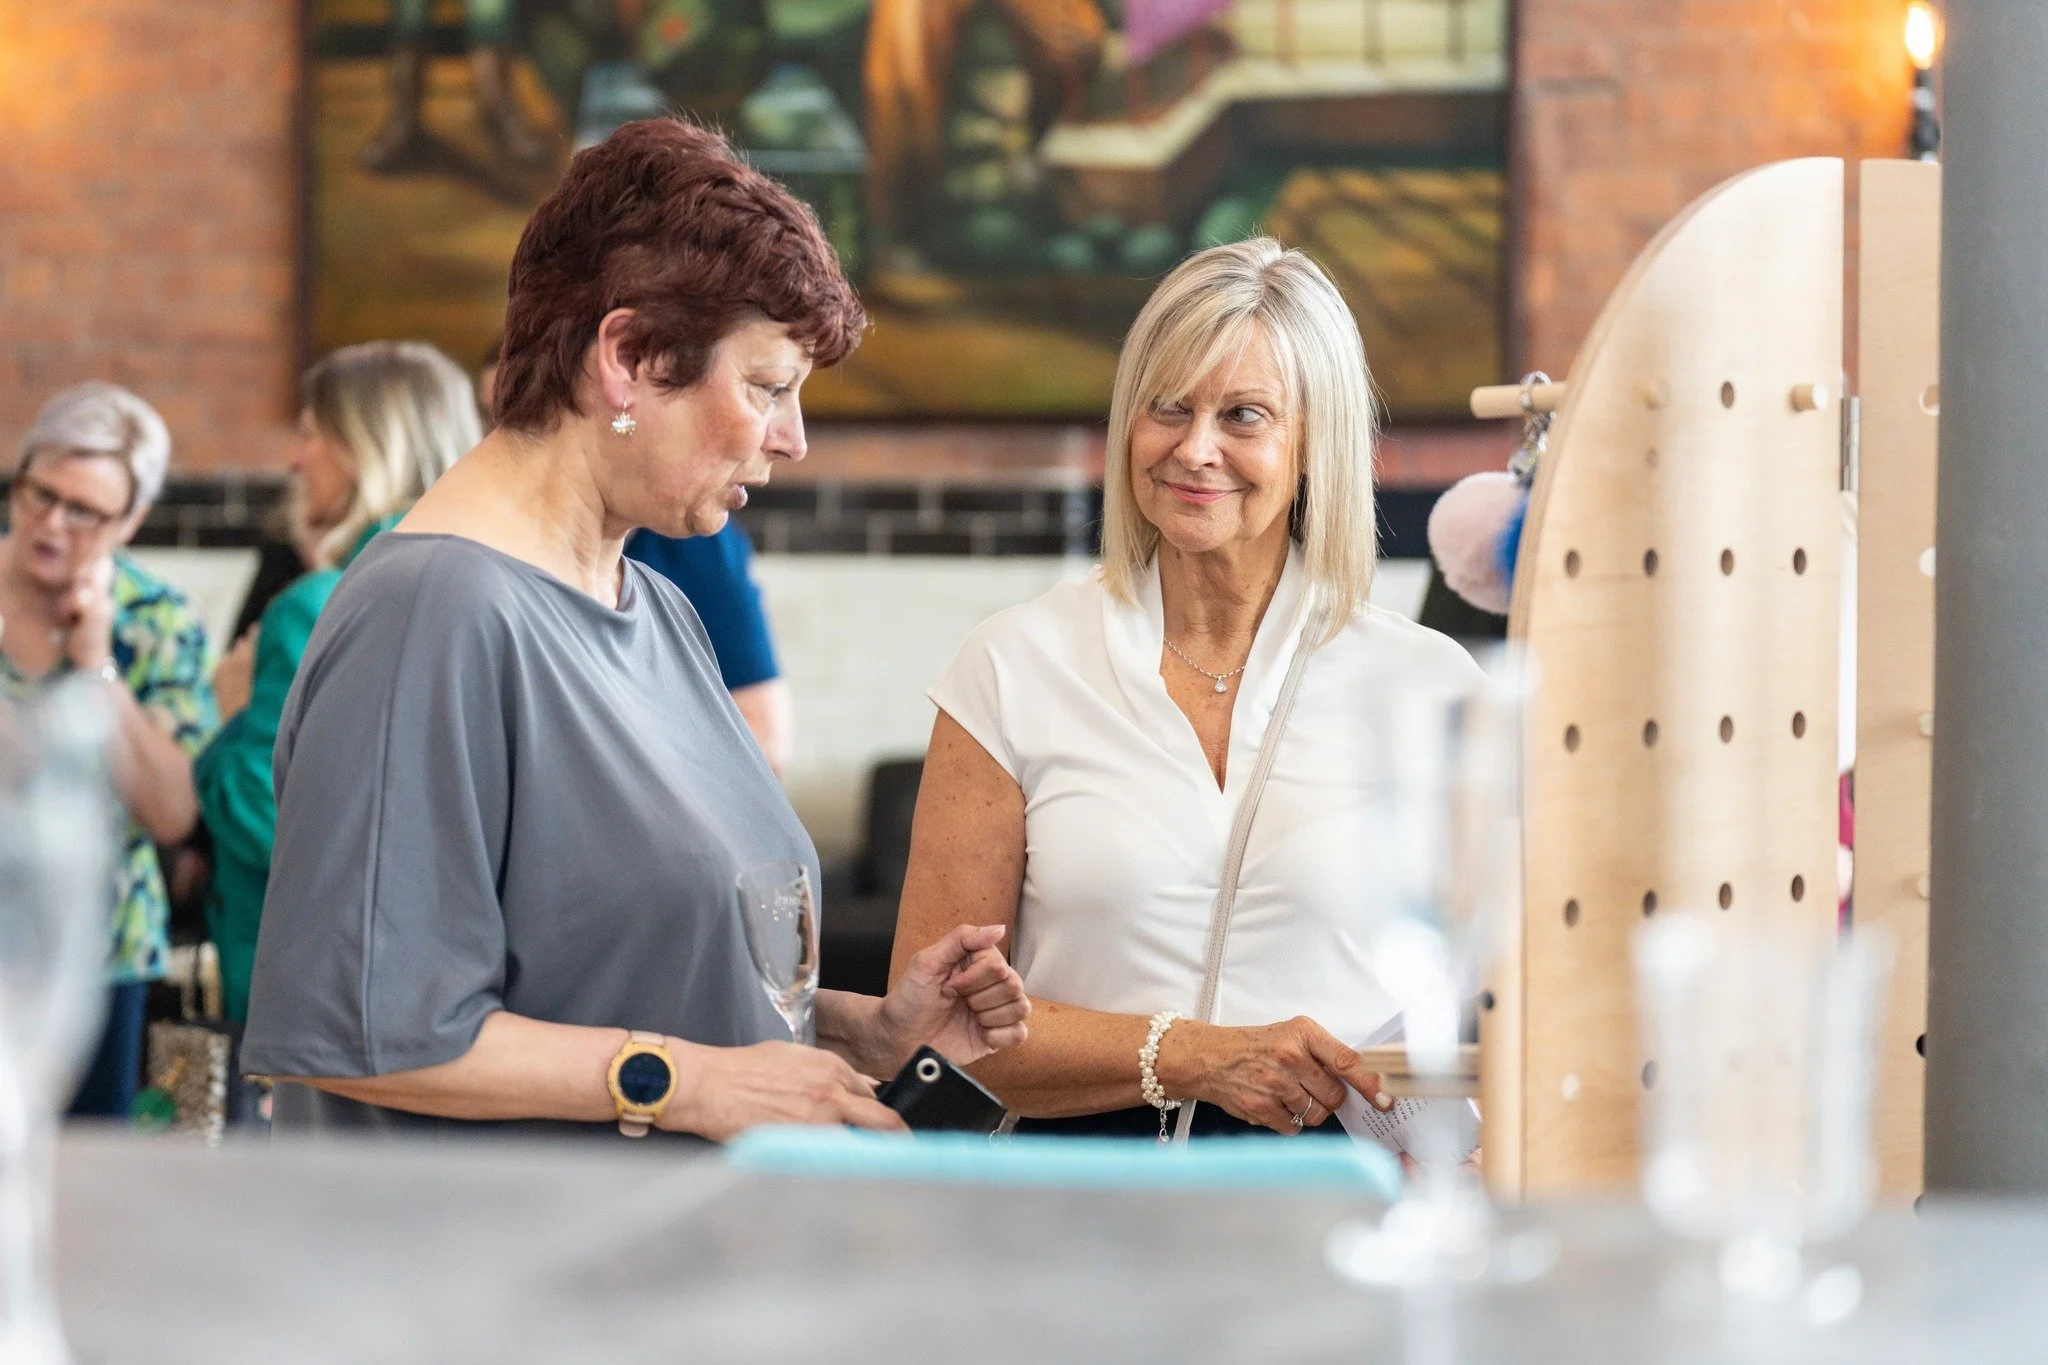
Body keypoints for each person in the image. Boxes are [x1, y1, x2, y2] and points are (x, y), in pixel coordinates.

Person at [241, 118, 1030, 1139]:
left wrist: (858, 1034)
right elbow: (376, 1028)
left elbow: (616, 976)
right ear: (628, 357)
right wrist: (694, 1087)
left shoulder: (654, 607)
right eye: (765, 387)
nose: (790, 438)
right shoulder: (429, 614)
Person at [890, 238, 1482, 1138]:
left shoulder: (1428, 685)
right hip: (1074, 1210)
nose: (1194, 449)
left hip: (1335, 1206)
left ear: (1315, 443)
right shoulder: (1013, 664)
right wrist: (1198, 1055)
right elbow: (934, 1028)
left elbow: (1507, 1002)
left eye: (1244, 415)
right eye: (1168, 407)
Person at [196, 342, 481, 1028]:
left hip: (308, 993)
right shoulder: (490, 584)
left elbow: (271, 822)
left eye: (309, 435)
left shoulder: (317, 605)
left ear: (362, 447)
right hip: (450, 989)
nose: (296, 460)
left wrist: (232, 717)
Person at [0, 382, 218, 1117]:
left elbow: (173, 813)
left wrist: (97, 666)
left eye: (84, 511)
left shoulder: (154, 620)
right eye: (40, 494)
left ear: (131, 520)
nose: (51, 523)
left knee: (81, 1195)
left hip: (99, 957)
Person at [486, 333, 794, 773]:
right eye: (491, 420)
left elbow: (766, 740)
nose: (792, 442)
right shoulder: (474, 571)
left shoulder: (695, 547)